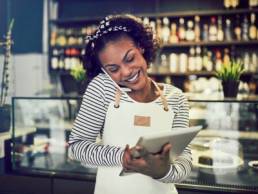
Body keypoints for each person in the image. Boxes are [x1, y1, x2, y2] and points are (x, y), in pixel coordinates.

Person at [69, 14, 192, 194]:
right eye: (113, 69)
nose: (126, 72)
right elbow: (77, 147)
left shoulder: (176, 98)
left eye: (130, 58)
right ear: (104, 72)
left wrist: (162, 171)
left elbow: (185, 162)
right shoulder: (102, 89)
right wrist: (122, 157)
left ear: (141, 48)